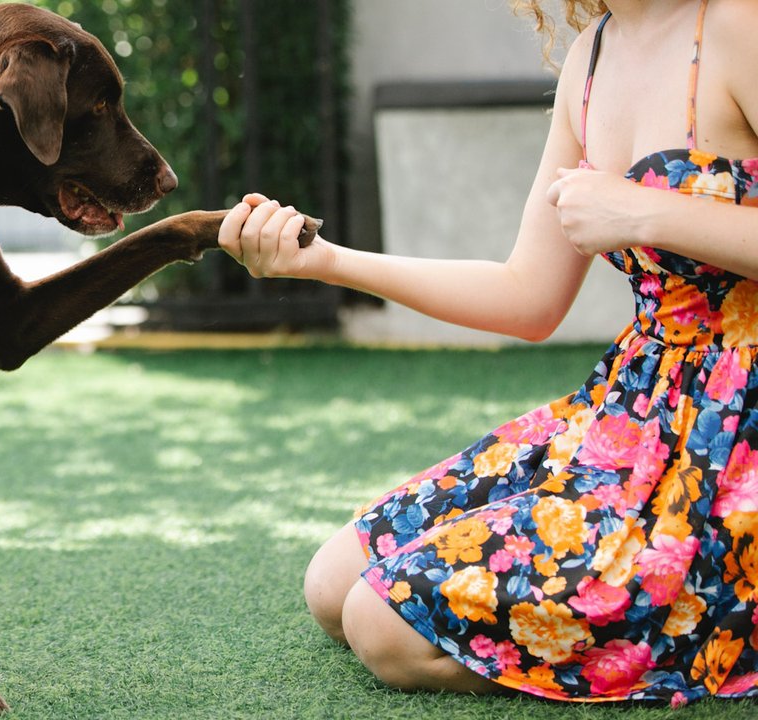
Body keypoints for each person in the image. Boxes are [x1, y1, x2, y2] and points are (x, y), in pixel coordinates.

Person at [217, 0, 758, 706]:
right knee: (332, 584)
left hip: (735, 436)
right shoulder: (594, 58)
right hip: (637, 410)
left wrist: (643, 212)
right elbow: (526, 296)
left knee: (382, 626)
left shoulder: (736, 23)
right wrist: (326, 262)